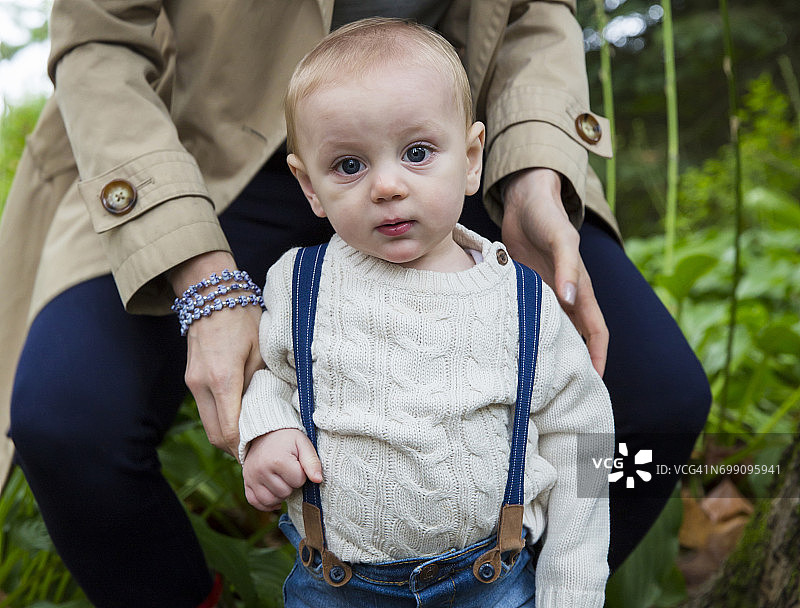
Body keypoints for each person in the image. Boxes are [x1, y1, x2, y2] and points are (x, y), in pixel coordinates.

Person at [0, 0, 711, 606]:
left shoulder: (459, 177)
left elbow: (536, 14)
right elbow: (99, 36)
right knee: (67, 422)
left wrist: (531, 171)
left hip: (441, 139)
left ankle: (514, 574)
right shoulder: (295, 269)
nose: (384, 189)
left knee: (659, 402)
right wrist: (203, 282)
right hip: (201, 160)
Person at [237, 19, 614, 607]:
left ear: (471, 158)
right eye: (349, 165)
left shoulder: (521, 300)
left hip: (490, 581)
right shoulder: (300, 282)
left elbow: (582, 433)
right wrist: (265, 430)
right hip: (336, 585)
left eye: (417, 153)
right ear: (309, 187)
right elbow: (274, 378)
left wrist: (572, 588)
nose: (387, 186)